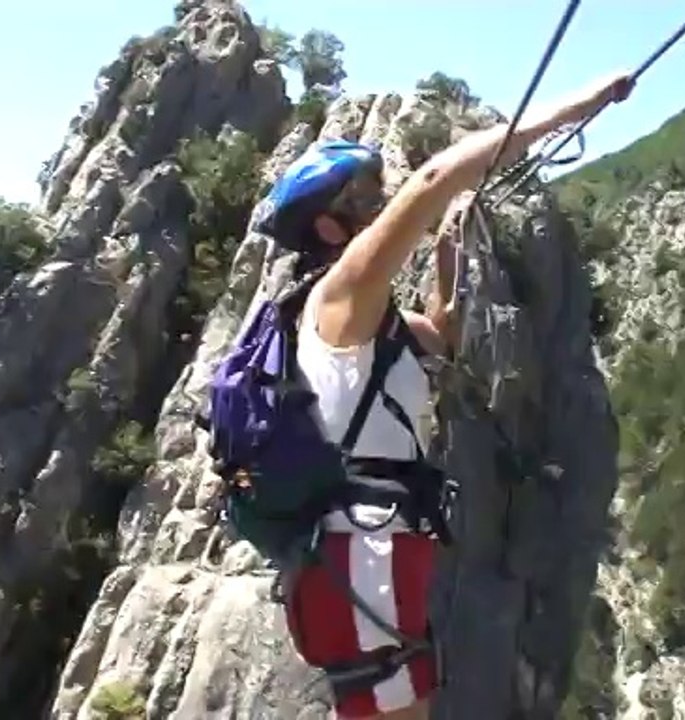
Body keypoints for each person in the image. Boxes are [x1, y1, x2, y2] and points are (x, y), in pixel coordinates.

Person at [261, 71, 634, 720]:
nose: (377, 206)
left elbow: (445, 333)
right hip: (359, 561)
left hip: (373, 557)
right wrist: (578, 106)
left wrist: (446, 251)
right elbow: (433, 180)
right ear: (327, 228)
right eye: (362, 198)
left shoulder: (362, 321)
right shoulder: (337, 295)